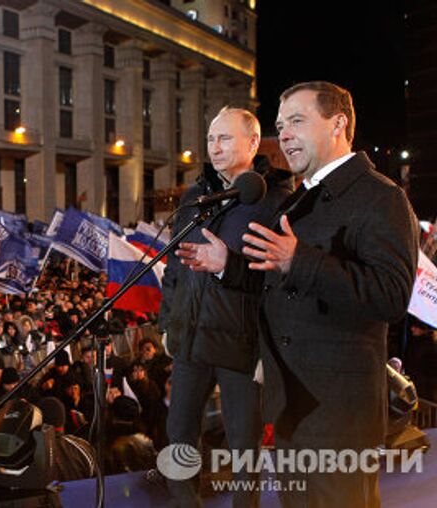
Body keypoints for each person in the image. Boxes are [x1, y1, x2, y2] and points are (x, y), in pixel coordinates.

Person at [176, 82, 419, 507]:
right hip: (293, 405)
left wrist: (299, 261)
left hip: (337, 415)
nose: (284, 134)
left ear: (338, 123)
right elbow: (280, 283)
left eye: (297, 121)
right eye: (280, 125)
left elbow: (391, 295)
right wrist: (228, 266)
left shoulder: (381, 197)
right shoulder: (304, 199)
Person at [159, 107, 292, 506]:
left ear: (253, 144)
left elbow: (280, 282)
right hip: (189, 337)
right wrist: (168, 324)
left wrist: (267, 352)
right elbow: (173, 267)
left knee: (243, 448)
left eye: (225, 138)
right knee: (178, 434)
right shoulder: (194, 195)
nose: (215, 148)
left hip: (241, 343)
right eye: (211, 139)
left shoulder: (274, 201)